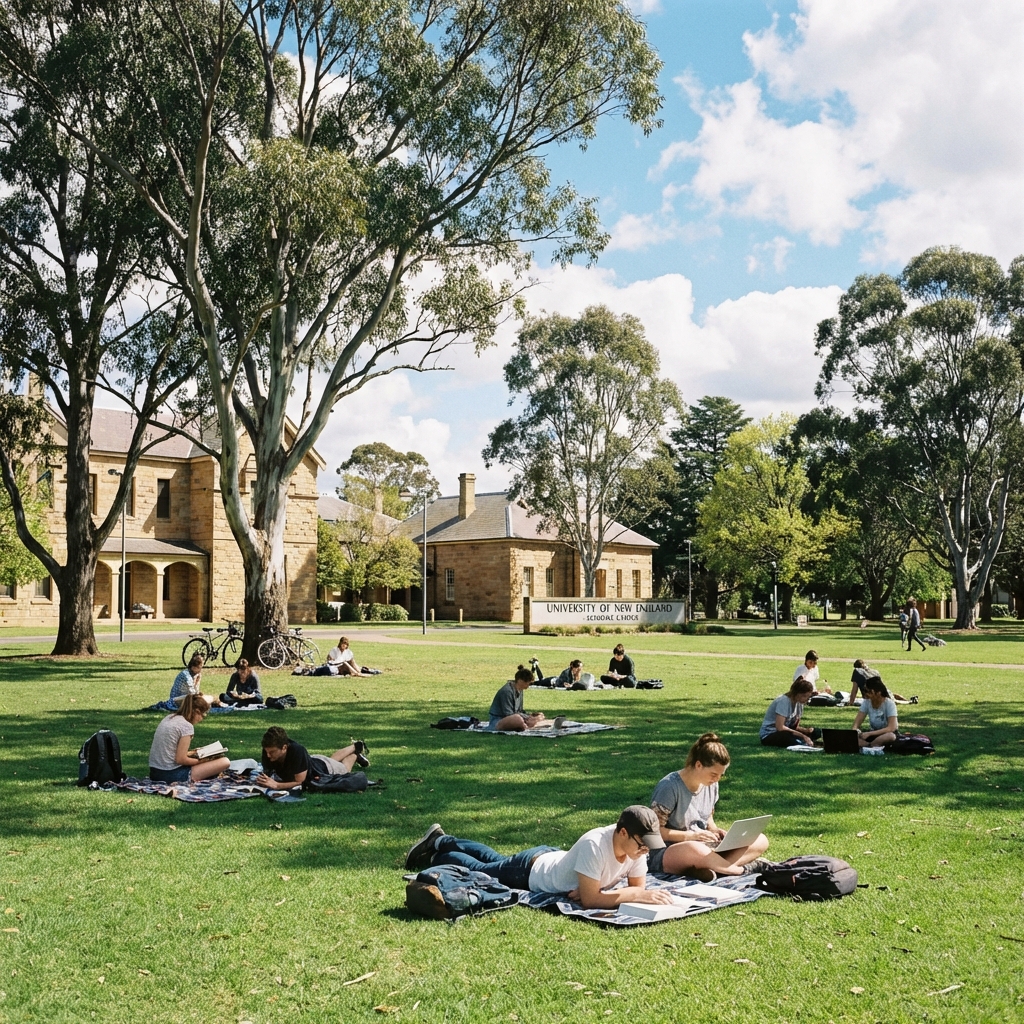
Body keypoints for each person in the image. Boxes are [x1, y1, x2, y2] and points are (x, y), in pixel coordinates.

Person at [404, 806, 677, 910]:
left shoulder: (636, 847)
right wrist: (610, 894)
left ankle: (441, 841)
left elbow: (636, 886)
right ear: (623, 832)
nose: (645, 852)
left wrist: (598, 892)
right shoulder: (596, 844)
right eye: (642, 845)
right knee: (482, 868)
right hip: (531, 872)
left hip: (546, 857)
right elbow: (597, 900)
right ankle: (440, 849)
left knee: (492, 858)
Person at [648, 733, 769, 881]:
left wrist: (714, 830)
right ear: (698, 765)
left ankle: (714, 868)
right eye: (713, 774)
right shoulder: (669, 787)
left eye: (721, 775)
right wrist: (689, 836)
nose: (717, 779)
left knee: (760, 839)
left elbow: (707, 816)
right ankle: (739, 870)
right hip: (671, 850)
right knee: (694, 849)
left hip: (705, 846)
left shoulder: (711, 785)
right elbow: (652, 833)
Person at [256, 725, 369, 791]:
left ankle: (355, 752)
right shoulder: (268, 750)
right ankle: (356, 746)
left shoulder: (297, 751)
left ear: (284, 747)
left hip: (322, 770)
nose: (268, 755)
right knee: (331, 760)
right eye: (266, 752)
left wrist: (276, 785)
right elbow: (267, 773)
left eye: (272, 752)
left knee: (344, 769)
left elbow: (299, 782)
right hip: (314, 762)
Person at [148, 694, 230, 783]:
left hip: (155, 772)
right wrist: (201, 761)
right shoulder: (186, 726)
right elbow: (180, 759)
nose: (201, 719)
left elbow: (172, 751)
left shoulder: (169, 718)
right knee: (225, 762)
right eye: (203, 715)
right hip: (170, 774)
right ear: (197, 711)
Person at [759, 677, 819, 747]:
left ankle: (804, 742)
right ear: (796, 693)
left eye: (808, 697)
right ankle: (802, 742)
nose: (806, 699)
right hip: (772, 733)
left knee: (816, 732)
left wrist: (806, 730)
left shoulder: (800, 703)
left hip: (787, 730)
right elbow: (780, 727)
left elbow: (794, 726)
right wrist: (803, 736)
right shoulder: (783, 701)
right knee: (788, 737)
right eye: (804, 696)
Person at [488, 666, 546, 731]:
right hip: (499, 720)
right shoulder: (507, 691)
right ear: (520, 681)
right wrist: (527, 718)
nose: (528, 686)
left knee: (540, 715)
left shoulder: (520, 690)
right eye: (528, 683)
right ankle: (526, 725)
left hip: (515, 716)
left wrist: (530, 715)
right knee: (517, 719)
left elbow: (520, 710)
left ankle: (527, 724)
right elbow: (508, 714)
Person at [853, 677, 899, 748]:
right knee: (852, 737)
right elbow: (856, 724)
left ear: (878, 693)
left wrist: (869, 734)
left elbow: (892, 728)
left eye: (868, 692)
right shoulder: (866, 702)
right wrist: (855, 731)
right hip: (872, 733)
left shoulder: (889, 704)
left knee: (890, 736)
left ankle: (868, 745)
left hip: (885, 733)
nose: (866, 694)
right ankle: (871, 745)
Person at [848, 659, 917, 706]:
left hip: (875, 696)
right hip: (884, 691)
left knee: (893, 701)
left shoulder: (857, 672)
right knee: (893, 695)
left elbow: (854, 690)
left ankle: (909, 702)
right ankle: (907, 700)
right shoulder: (874, 671)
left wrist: (851, 703)